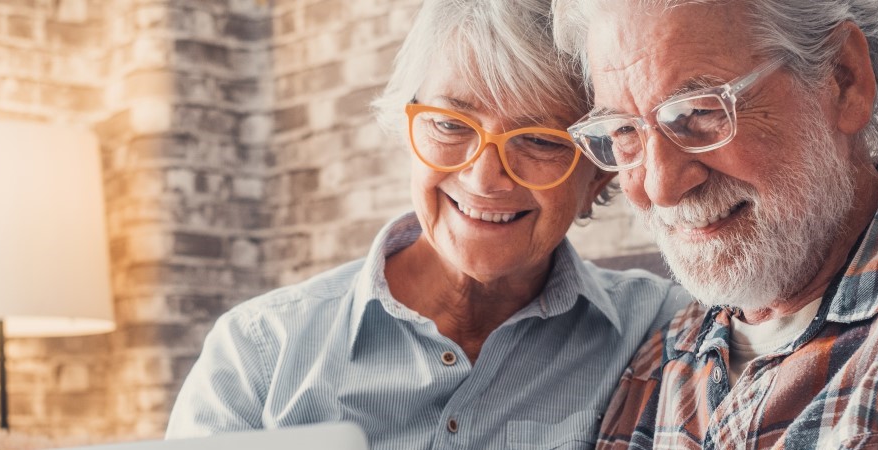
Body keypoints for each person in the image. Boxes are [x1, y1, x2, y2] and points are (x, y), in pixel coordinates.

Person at [165, 1, 690, 448]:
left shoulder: (659, 332)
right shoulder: (259, 351)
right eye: (448, 124)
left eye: (540, 140)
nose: (485, 179)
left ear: (599, 176)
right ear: (408, 124)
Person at [552, 0, 878, 448]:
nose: (660, 187)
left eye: (699, 111)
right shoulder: (656, 358)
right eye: (624, 132)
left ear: (843, 79)